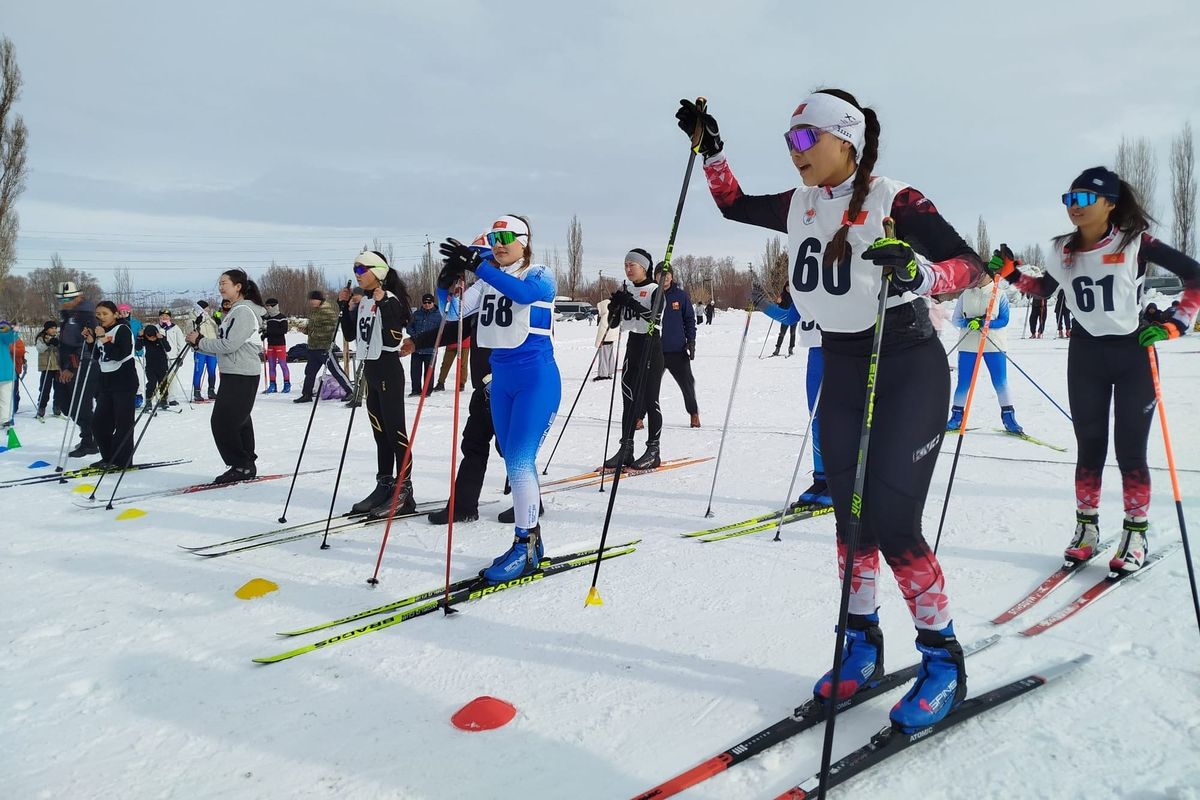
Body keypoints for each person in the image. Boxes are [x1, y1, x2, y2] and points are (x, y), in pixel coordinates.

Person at [679, 89, 985, 731]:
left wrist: (921, 275)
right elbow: (734, 205)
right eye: (788, 141)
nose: (794, 152)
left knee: (894, 520)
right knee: (850, 519)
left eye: (804, 138)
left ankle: (943, 662)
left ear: (844, 138)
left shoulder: (894, 199)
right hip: (844, 367)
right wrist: (712, 152)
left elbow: (971, 265)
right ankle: (862, 645)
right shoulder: (799, 203)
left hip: (904, 363)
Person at [988, 166, 1200, 573]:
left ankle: (1135, 532)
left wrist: (1176, 322)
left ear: (1110, 203)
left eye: (1085, 198)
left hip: (1133, 352)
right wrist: (1013, 274)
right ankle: (1086, 528)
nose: (1075, 206)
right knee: (1089, 444)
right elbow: (1045, 289)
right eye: (1070, 199)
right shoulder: (1062, 249)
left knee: (1129, 448)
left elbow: (1194, 276)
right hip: (1086, 353)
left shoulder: (1136, 242)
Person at [415, 214, 560, 582]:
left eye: (506, 237)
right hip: (501, 381)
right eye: (494, 238)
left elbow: (523, 295)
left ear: (525, 241)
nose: (499, 244)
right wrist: (447, 279)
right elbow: (452, 312)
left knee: (520, 461)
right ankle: (531, 542)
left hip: (536, 380)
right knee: (513, 461)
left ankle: (524, 545)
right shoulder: (486, 282)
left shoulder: (539, 273)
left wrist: (478, 264)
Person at [338, 251, 416, 516]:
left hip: (388, 371)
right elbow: (351, 335)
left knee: (395, 433)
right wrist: (344, 307)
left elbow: (393, 338)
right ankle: (384, 484)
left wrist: (383, 305)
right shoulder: (364, 301)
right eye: (355, 269)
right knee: (380, 434)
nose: (357, 274)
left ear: (378, 271)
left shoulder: (390, 299)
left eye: (362, 269)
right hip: (371, 372)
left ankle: (404, 489)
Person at [186, 270, 266, 484]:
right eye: (219, 283)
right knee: (239, 420)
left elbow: (229, 345)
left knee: (223, 422)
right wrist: (198, 344)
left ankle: (241, 464)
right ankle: (245, 464)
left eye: (224, 283)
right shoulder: (236, 310)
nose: (221, 287)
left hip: (242, 373)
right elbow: (227, 347)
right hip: (235, 371)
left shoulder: (243, 312)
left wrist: (200, 341)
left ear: (238, 287)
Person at [604, 249, 665, 470]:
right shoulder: (627, 289)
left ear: (644, 267)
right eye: (626, 265)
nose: (628, 269)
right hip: (633, 345)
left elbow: (654, 318)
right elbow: (613, 324)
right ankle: (626, 449)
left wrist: (631, 303)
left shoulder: (655, 290)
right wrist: (615, 307)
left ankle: (653, 451)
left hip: (651, 345)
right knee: (628, 400)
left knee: (650, 400)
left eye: (632, 265)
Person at [945, 284, 1023, 434]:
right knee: (963, 383)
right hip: (968, 344)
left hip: (993, 343)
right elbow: (956, 320)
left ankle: (1009, 418)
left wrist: (984, 323)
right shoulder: (966, 294)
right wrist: (968, 322)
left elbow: (1004, 320)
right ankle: (956, 417)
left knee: (1000, 382)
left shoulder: (999, 293)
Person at [83, 301, 138, 469]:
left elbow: (120, 354)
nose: (101, 317)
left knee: (123, 424)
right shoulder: (101, 331)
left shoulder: (122, 329)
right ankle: (109, 457)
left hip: (124, 381)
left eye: (105, 313)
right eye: (98, 314)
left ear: (115, 314)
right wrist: (91, 341)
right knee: (99, 424)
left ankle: (122, 461)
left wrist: (102, 339)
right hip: (106, 382)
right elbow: (99, 355)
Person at [57, 281, 101, 458]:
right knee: (65, 404)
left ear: (78, 298)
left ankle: (89, 441)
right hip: (67, 367)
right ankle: (92, 435)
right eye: (61, 299)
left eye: (67, 299)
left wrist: (70, 367)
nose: (63, 302)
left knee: (80, 405)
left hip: (84, 366)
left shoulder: (87, 316)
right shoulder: (69, 316)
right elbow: (66, 342)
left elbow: (86, 344)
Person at [659, 268, 701, 427]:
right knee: (648, 385)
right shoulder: (652, 294)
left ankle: (694, 414)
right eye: (660, 275)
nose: (664, 278)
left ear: (671, 277)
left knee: (687, 384)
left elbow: (689, 319)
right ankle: (639, 416)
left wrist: (691, 341)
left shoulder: (681, 296)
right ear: (656, 277)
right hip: (656, 351)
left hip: (677, 350)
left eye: (667, 275)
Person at [295, 290, 352, 403]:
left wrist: (316, 333)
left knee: (336, 371)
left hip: (325, 347)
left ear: (319, 300)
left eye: (313, 300)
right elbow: (313, 328)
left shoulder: (327, 311)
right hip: (313, 347)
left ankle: (350, 391)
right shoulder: (314, 311)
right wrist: (305, 330)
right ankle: (306, 394)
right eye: (310, 300)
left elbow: (331, 328)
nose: (311, 302)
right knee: (309, 372)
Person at [407, 292, 442, 397]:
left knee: (429, 372)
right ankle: (415, 390)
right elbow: (409, 327)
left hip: (430, 349)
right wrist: (415, 336)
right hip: (417, 348)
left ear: (433, 302)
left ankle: (427, 391)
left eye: (429, 302)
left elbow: (442, 331)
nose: (427, 304)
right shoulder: (417, 314)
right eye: (425, 302)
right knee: (415, 371)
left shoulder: (439, 315)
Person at [34, 321, 66, 419]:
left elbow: (63, 350)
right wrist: (48, 343)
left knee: (59, 388)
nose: (54, 330)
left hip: (57, 367)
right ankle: (41, 408)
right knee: (45, 388)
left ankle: (57, 407)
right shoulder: (41, 338)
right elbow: (40, 349)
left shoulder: (59, 337)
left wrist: (59, 344)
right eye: (51, 328)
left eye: (55, 328)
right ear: (46, 329)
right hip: (46, 367)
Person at [156, 310, 188, 406]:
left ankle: (172, 398)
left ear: (170, 317)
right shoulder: (156, 328)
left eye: (166, 316)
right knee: (162, 379)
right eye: (162, 315)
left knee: (172, 379)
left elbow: (180, 343)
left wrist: (180, 357)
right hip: (160, 358)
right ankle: (162, 398)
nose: (164, 317)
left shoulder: (175, 328)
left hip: (173, 357)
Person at [117, 304, 146, 409]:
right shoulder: (116, 323)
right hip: (122, 355)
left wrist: (141, 336)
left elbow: (142, 335)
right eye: (121, 312)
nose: (123, 314)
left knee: (138, 375)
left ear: (129, 312)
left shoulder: (136, 323)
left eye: (125, 312)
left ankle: (139, 396)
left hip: (136, 354)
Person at [260, 298, 291, 394]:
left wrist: (269, 332)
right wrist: (265, 334)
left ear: (274, 306)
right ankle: (273, 385)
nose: (267, 308)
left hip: (280, 344)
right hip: (271, 344)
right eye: (266, 306)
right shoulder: (268, 318)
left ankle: (287, 384)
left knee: (282, 364)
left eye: (269, 306)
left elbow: (283, 330)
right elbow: (267, 330)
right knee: (271, 365)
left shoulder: (282, 317)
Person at [140, 324, 172, 409]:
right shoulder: (144, 340)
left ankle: (163, 400)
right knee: (152, 383)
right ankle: (148, 400)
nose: (151, 339)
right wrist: (139, 337)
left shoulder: (161, 338)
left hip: (162, 365)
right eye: (149, 337)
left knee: (163, 383)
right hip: (150, 366)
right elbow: (137, 348)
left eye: (153, 337)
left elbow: (168, 349)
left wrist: (161, 338)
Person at [193, 301, 219, 401]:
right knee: (198, 371)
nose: (208, 309)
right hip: (200, 349)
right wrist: (197, 323)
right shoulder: (193, 316)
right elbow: (191, 330)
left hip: (212, 348)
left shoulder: (210, 318)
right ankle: (197, 392)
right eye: (206, 307)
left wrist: (218, 323)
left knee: (212, 371)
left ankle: (211, 391)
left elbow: (216, 332)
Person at [593, 297, 620, 380]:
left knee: (603, 357)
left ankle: (603, 374)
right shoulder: (613, 313)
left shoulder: (605, 316)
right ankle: (610, 371)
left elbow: (602, 331)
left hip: (605, 339)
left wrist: (598, 343)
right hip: (611, 338)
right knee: (610, 356)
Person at [0, 320, 16, 426]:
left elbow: (10, 338)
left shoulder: (3, 336)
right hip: (6, 373)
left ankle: (5, 420)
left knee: (5, 398)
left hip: (5, 374)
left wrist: (12, 331)